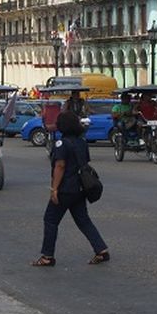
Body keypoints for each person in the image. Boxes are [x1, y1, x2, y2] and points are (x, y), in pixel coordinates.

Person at [32, 110, 109, 267]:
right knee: (83, 220)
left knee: (50, 220)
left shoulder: (61, 143)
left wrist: (54, 189)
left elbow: (60, 166)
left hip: (65, 189)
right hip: (80, 188)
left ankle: (47, 256)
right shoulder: (82, 142)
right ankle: (101, 250)